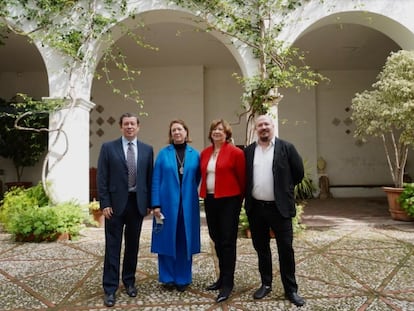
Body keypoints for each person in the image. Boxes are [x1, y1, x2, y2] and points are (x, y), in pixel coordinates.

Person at [244, 114, 305, 307]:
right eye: (260, 125)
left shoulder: (287, 148)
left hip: (280, 209)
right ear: (256, 129)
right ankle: (266, 284)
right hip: (257, 209)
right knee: (262, 249)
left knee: (285, 250)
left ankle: (291, 289)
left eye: (266, 124)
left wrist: (282, 190)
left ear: (273, 127)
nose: (263, 127)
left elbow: (298, 174)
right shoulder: (249, 151)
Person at [97, 112, 153, 307]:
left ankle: (129, 282)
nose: (129, 127)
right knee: (112, 247)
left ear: (138, 127)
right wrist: (104, 204)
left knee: (132, 246)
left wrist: (149, 203)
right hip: (114, 205)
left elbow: (149, 178)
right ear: (121, 127)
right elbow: (102, 177)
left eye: (133, 124)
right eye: (126, 124)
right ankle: (110, 288)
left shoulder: (147, 150)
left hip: (137, 205)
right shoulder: (108, 148)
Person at [151, 119, 201, 292]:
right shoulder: (163, 154)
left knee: (184, 241)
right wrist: (155, 204)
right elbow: (156, 179)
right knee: (165, 240)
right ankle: (167, 278)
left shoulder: (195, 154)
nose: (177, 132)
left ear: (186, 132)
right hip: (165, 205)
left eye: (180, 129)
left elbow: (197, 178)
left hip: (187, 205)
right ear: (170, 134)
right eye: (173, 130)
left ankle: (183, 278)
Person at [199, 119, 245, 303]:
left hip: (229, 201)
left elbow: (243, 179)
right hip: (210, 200)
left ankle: (228, 282)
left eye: (220, 129)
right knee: (216, 238)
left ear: (227, 134)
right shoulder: (205, 153)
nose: (217, 132)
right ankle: (221, 277)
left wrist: (238, 201)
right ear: (210, 134)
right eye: (214, 129)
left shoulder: (236, 153)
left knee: (227, 241)